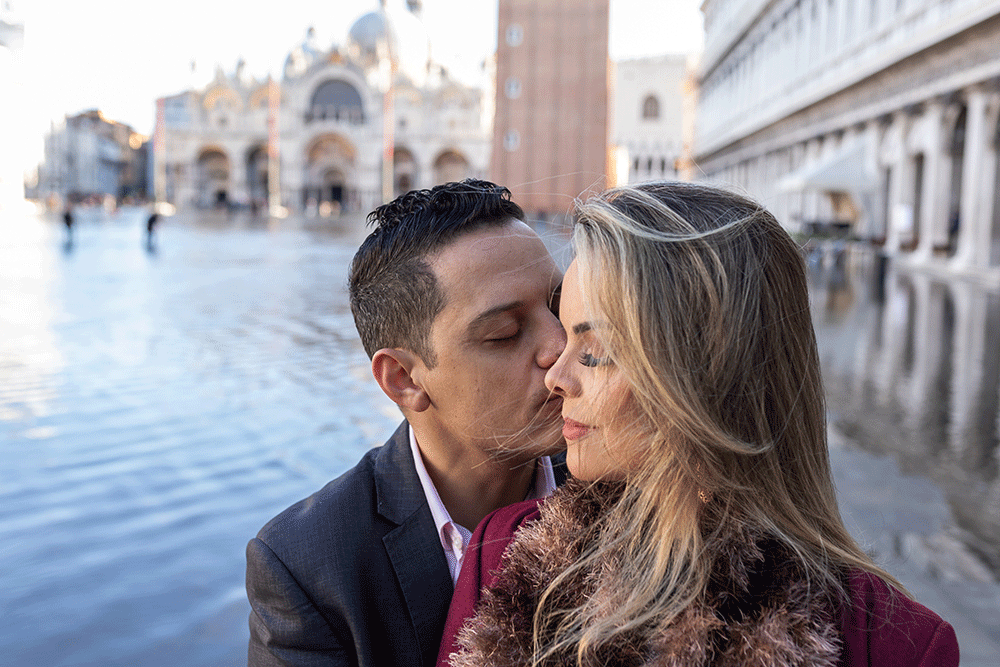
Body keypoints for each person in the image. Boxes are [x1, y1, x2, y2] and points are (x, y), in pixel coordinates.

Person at [438, 181, 960, 667]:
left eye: (595, 353)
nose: (556, 377)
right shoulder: (505, 554)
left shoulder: (897, 643)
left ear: (703, 375)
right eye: (566, 339)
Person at [246, 179, 568, 667]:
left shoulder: (629, 483)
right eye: (505, 334)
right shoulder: (308, 568)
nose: (561, 347)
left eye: (560, 306)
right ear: (403, 379)